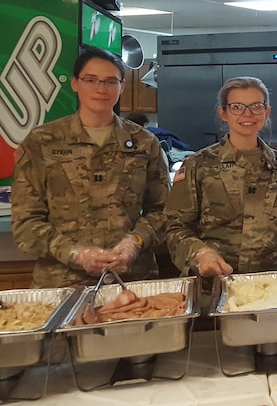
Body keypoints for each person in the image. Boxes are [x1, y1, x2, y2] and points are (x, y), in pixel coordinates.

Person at [11, 47, 168, 287]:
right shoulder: (43, 142)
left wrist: (134, 242)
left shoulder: (144, 143)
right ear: (75, 83)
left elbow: (162, 210)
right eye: (91, 80)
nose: (101, 89)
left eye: (110, 81)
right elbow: (26, 222)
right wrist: (76, 253)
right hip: (61, 283)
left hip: (132, 280)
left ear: (122, 86)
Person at [164, 77, 277, 277]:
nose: (247, 114)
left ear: (267, 112)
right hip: (214, 286)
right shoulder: (198, 165)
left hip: (272, 288)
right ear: (223, 113)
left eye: (256, 106)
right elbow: (175, 228)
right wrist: (200, 253)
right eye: (237, 106)